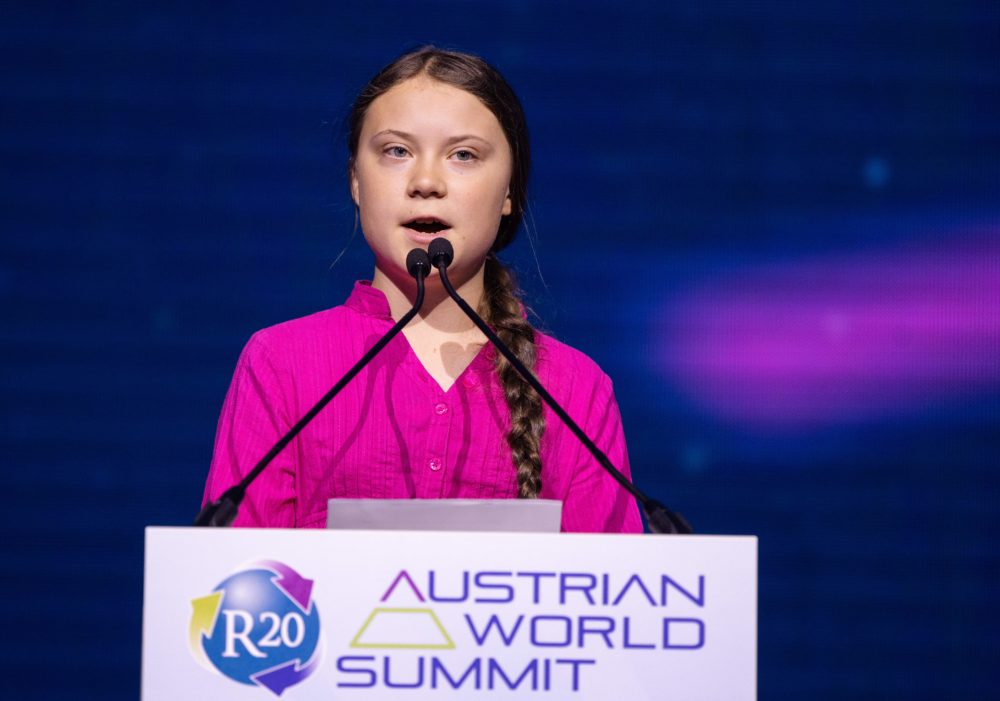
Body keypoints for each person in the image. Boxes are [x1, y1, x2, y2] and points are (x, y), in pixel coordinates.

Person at [202, 46, 643, 533]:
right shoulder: (281, 362)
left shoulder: (574, 389)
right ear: (354, 180)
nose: (426, 181)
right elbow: (232, 583)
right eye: (397, 151)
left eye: (463, 155)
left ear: (509, 192)